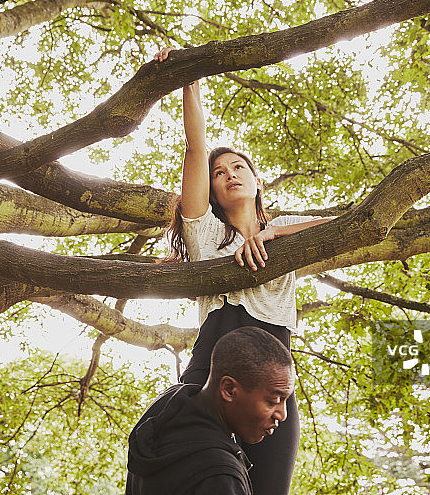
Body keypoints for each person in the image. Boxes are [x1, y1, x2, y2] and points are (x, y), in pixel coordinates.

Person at [153, 46, 334, 494]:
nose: (229, 173)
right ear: (211, 191)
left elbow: (349, 224)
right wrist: (187, 79)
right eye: (219, 173)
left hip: (270, 371)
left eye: (239, 167)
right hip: (210, 371)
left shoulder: (286, 227)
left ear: (256, 182)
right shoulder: (205, 234)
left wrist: (275, 235)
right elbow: (196, 149)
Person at [125, 326, 296, 495]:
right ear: (229, 389)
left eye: (285, 401)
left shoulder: (163, 416)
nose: (282, 415)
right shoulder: (219, 478)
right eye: (274, 400)